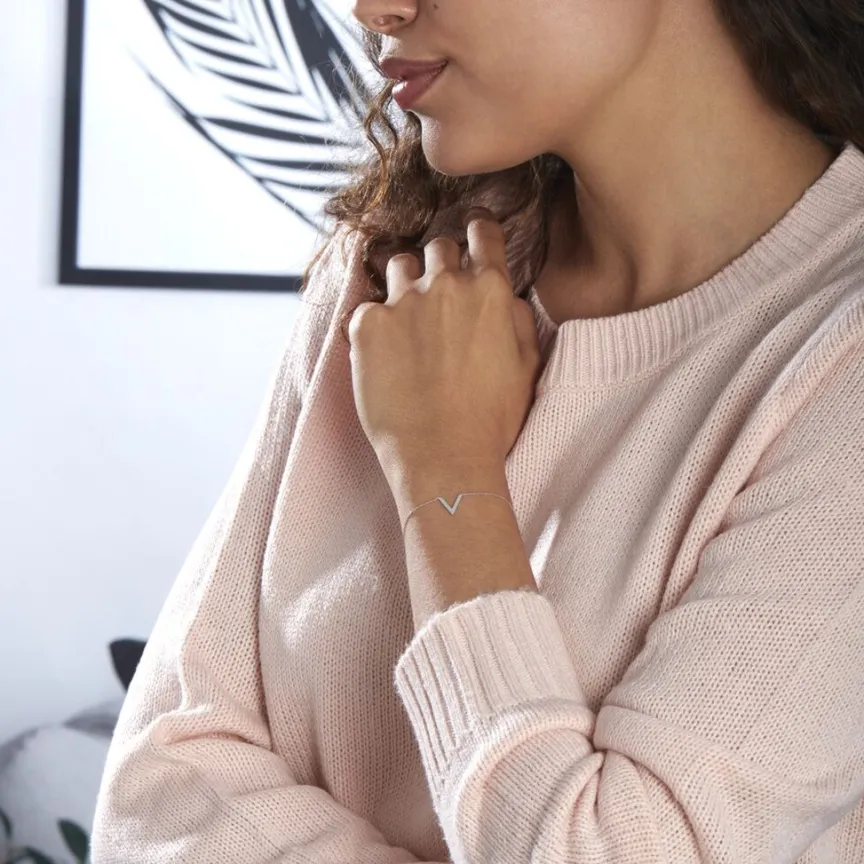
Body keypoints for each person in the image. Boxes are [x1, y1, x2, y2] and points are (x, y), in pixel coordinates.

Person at [91, 0, 864, 861]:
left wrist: (445, 469)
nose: (373, 9)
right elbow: (153, 793)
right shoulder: (398, 268)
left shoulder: (840, 359)